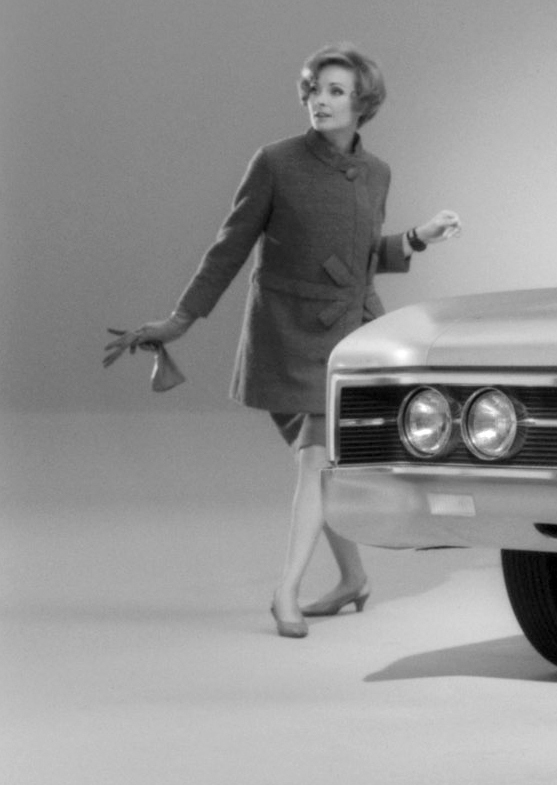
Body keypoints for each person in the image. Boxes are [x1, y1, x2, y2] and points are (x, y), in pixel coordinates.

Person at [105, 45, 461, 638]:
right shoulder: (275, 162)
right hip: (284, 333)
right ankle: (353, 579)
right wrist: (181, 319)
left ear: (363, 102)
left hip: (346, 337)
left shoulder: (378, 173)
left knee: (318, 461)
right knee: (322, 467)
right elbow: (229, 248)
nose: (320, 100)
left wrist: (418, 238)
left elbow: (363, 257)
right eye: (315, 89)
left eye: (336, 91)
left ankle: (287, 591)